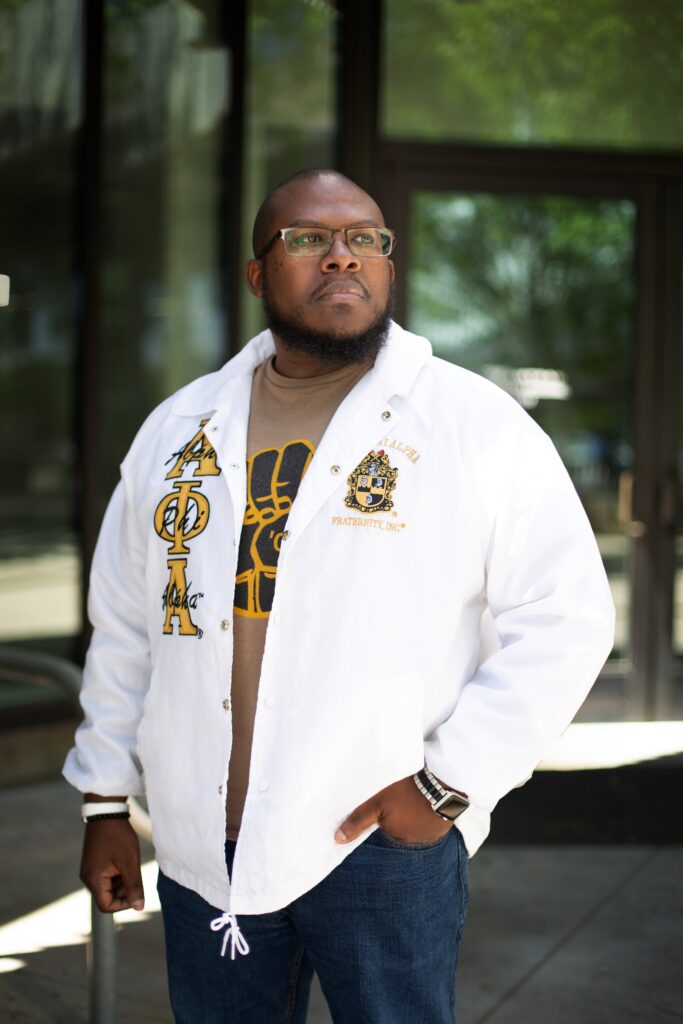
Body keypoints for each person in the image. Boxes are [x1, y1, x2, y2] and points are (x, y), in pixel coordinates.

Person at [64, 168, 615, 1024]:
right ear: (258, 275)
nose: (340, 258)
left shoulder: (471, 422)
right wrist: (106, 799)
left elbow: (564, 618)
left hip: (374, 838)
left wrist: (444, 787)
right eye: (307, 239)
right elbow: (129, 626)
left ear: (388, 268)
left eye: (364, 239)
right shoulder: (179, 428)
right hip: (203, 842)